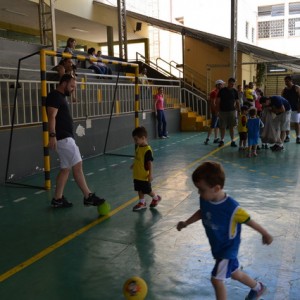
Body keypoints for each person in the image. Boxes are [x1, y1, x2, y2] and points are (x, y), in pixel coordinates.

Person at [176, 161, 273, 300]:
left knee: (216, 280)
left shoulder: (232, 208)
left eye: (201, 189)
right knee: (235, 273)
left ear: (216, 188)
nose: (199, 193)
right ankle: (258, 288)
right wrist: (186, 222)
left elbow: (249, 221)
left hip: (227, 250)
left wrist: (265, 234)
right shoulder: (206, 198)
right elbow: (202, 212)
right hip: (218, 247)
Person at [46, 74, 105, 208]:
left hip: (65, 138)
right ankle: (88, 195)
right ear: (63, 83)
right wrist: (52, 135)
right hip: (63, 138)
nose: (73, 89)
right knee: (77, 166)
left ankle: (58, 199)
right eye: (72, 86)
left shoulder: (60, 97)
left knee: (65, 169)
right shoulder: (55, 96)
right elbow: (51, 116)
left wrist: (72, 93)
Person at [130, 126, 161, 211]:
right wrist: (134, 164)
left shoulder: (147, 150)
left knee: (147, 190)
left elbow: (149, 163)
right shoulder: (138, 147)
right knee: (139, 189)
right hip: (137, 174)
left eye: (136, 140)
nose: (135, 142)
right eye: (134, 140)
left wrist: (150, 175)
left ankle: (156, 198)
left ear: (143, 138)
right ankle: (142, 202)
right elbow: (138, 158)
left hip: (144, 175)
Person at [215, 77, 240, 147]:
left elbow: (237, 101)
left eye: (233, 84)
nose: (232, 85)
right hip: (222, 111)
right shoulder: (222, 91)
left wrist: (239, 110)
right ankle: (222, 140)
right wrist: (217, 111)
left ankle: (232, 140)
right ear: (228, 83)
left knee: (232, 126)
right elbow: (218, 101)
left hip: (232, 111)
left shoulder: (235, 91)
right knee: (222, 127)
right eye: (231, 84)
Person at [204, 80, 223, 145]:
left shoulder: (219, 92)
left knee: (217, 125)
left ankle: (215, 138)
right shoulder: (214, 92)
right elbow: (213, 103)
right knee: (212, 125)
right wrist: (216, 111)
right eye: (221, 84)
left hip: (218, 112)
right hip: (215, 112)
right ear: (217, 85)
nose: (222, 85)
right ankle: (207, 138)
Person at [281, 75, 300, 144]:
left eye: (287, 81)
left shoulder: (297, 88)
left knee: (297, 123)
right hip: (287, 109)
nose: (286, 83)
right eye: (285, 81)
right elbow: (282, 99)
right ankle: (287, 136)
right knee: (287, 123)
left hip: (295, 108)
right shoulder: (284, 90)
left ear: (291, 81)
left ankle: (298, 137)